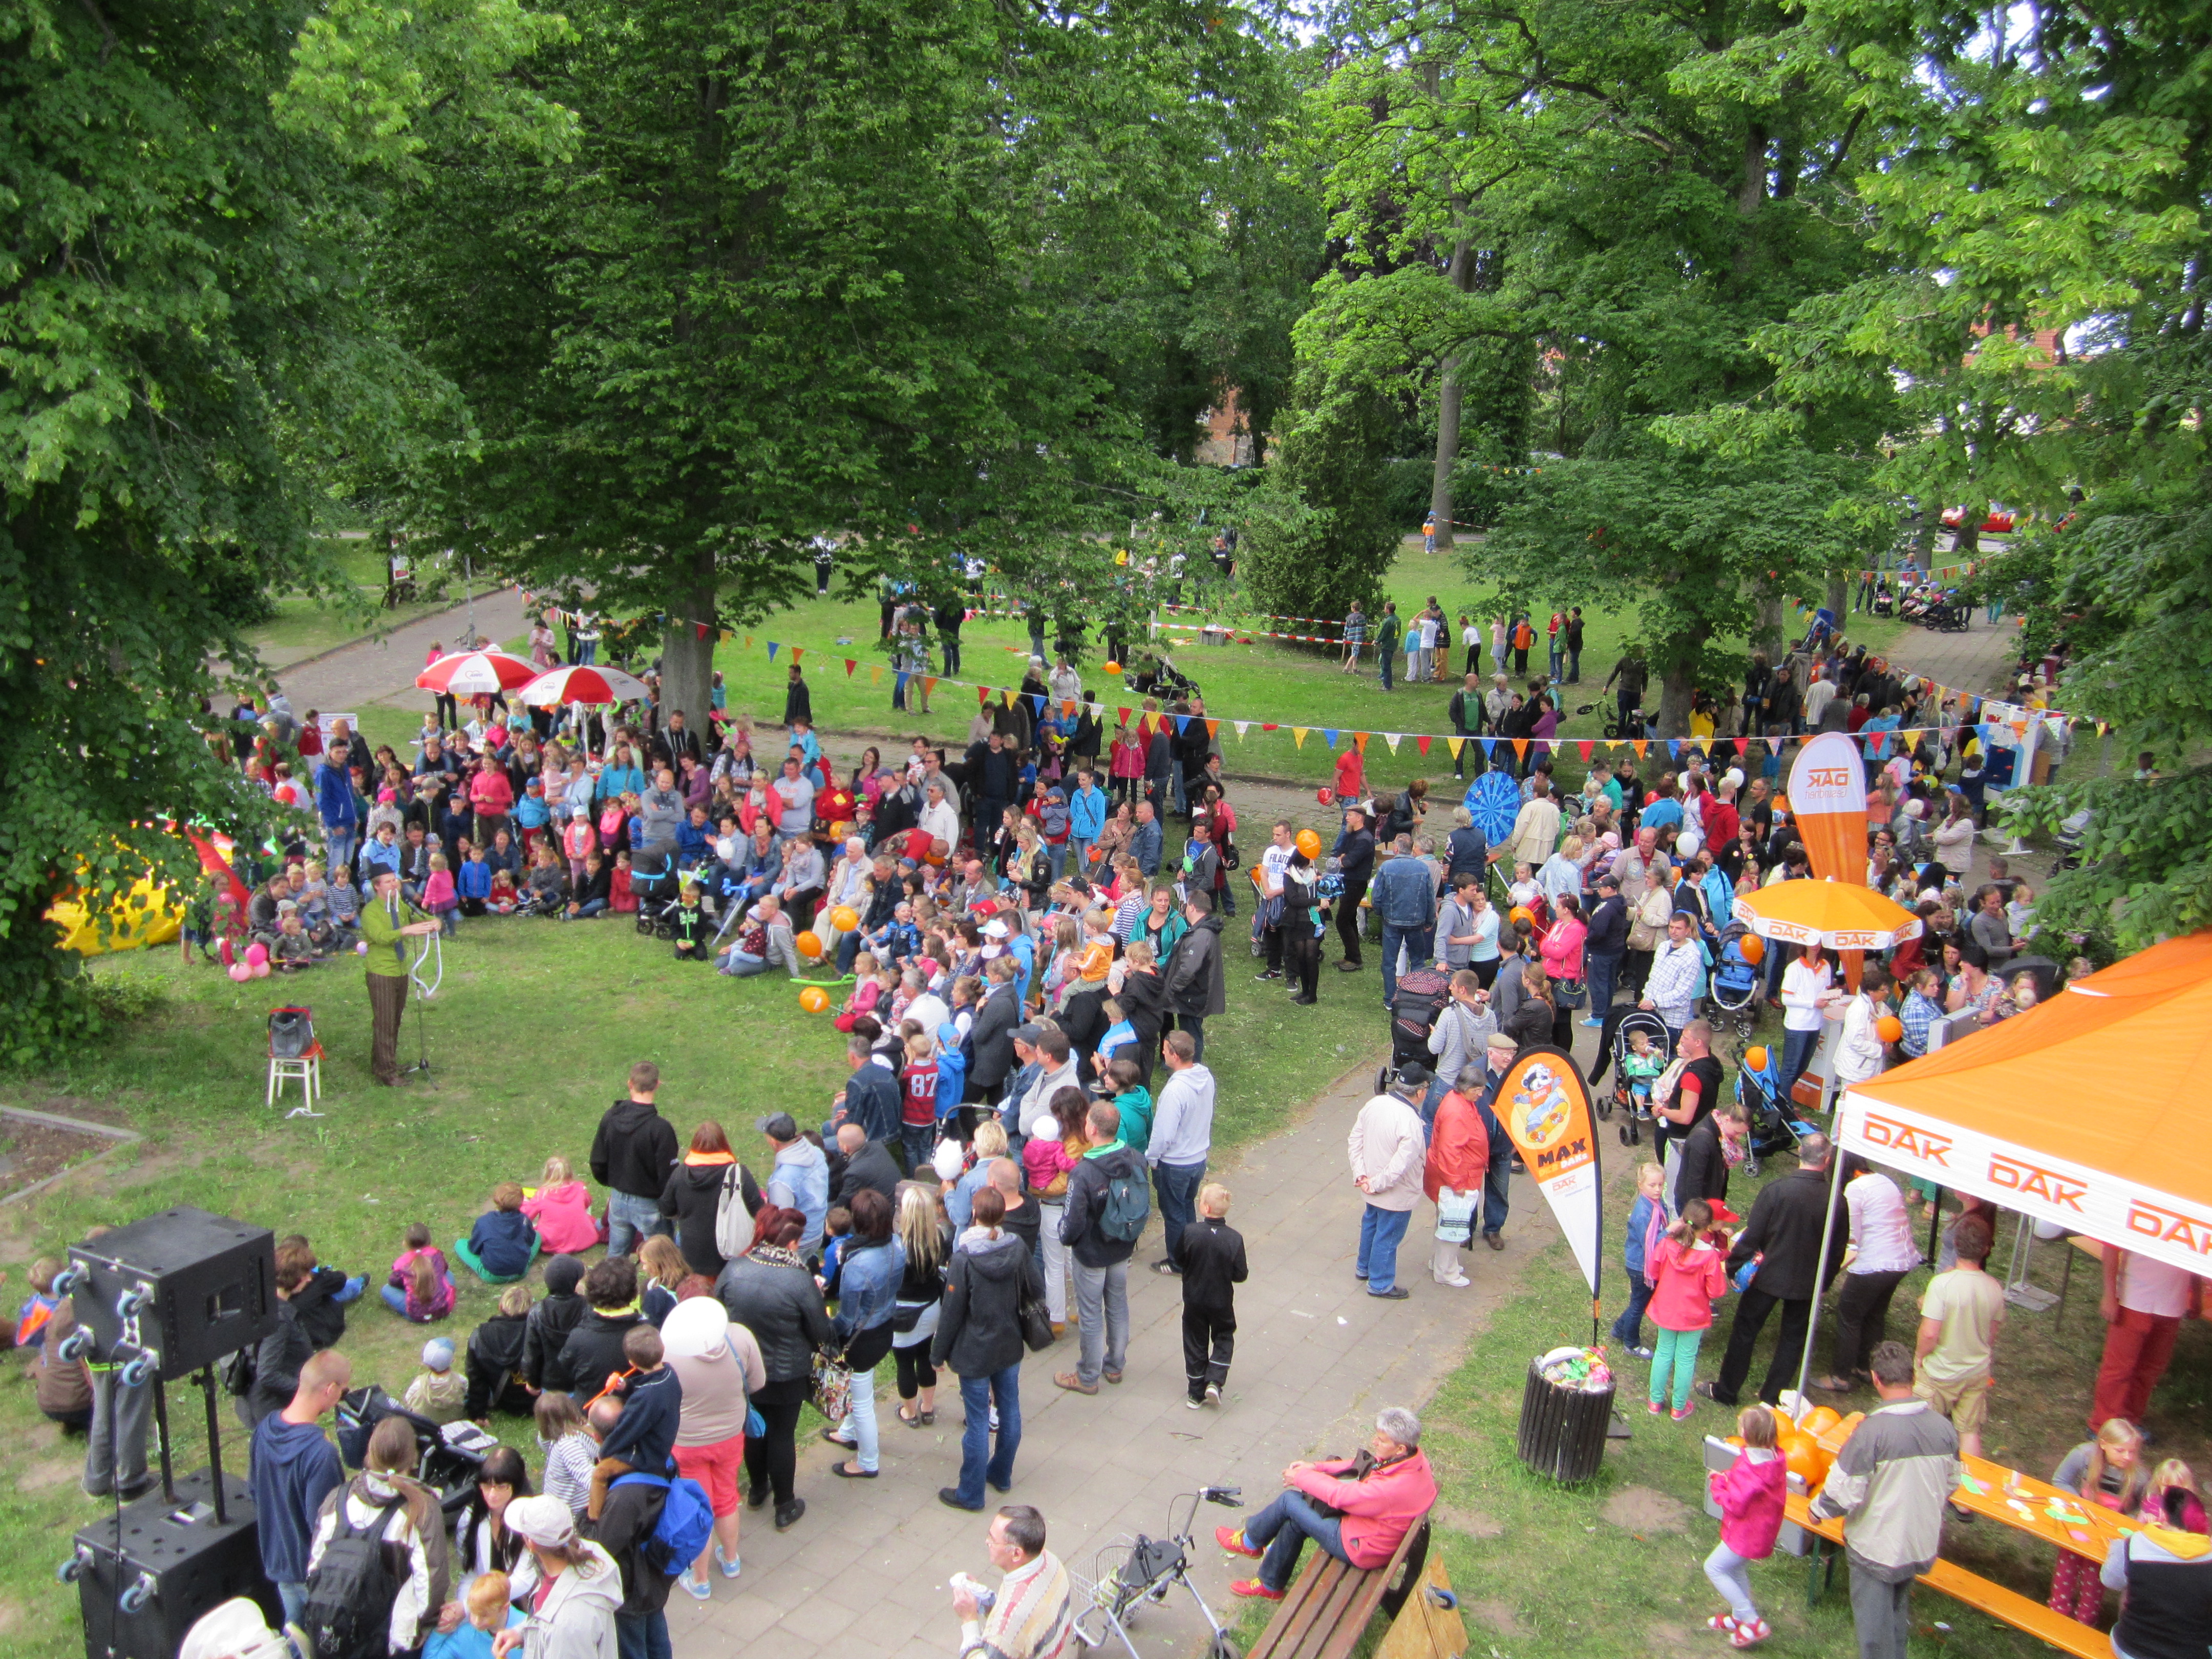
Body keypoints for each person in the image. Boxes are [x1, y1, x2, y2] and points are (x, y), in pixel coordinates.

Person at [1810, 1342, 1963, 1659]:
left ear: (1877, 1379)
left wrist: (1817, 1510)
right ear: (1913, 1376)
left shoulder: (1871, 1433)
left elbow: (1843, 1492)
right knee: (1894, 1622)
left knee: (1874, 1640)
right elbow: (1952, 1482)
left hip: (1876, 1548)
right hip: (1917, 1543)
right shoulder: (1944, 1428)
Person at [1217, 1407, 1437, 1602]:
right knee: (1296, 1518)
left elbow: (1340, 1496)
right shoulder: (1410, 1460)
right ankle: (1269, 1584)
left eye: (1382, 1440)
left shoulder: (1390, 1489)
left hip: (1361, 1547)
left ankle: (1249, 1542)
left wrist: (1300, 1477)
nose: (1374, 1442)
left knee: (1289, 1501)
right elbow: (1362, 1465)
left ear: (1400, 1448)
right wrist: (1316, 1467)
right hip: (1372, 1533)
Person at [1703, 1133, 1847, 1410]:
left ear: (1800, 1153)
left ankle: (1727, 1390)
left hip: (1767, 1277)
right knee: (1792, 1339)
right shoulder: (1836, 1200)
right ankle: (1772, 1397)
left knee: (1745, 1331)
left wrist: (1733, 1266)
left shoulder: (1777, 1190)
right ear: (1827, 1161)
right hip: (1807, 1281)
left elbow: (1753, 1235)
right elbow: (1836, 1249)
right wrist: (1824, 1282)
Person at [713, 1206, 831, 1533]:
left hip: (745, 1368)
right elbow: (821, 1332)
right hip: (787, 1372)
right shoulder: (798, 1279)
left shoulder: (735, 1269)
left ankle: (758, 1490)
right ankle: (785, 1505)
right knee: (781, 1435)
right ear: (790, 1245)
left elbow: (717, 1309)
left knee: (754, 1429)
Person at [306, 1414, 453, 1658]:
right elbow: (429, 1591)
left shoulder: (337, 1497)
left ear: (370, 1452)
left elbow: (314, 1568)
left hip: (332, 1630)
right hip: (387, 1641)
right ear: (413, 1457)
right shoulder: (421, 1509)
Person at [935, 1187, 1045, 1512]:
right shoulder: (1016, 1247)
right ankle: (1001, 1474)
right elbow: (1037, 1287)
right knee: (1010, 1409)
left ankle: (970, 1494)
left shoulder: (964, 1257)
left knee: (978, 1420)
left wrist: (937, 1354)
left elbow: (952, 1311)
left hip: (975, 1351)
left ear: (974, 1213)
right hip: (1009, 1344)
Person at [658, 1296, 760, 1600]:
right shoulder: (740, 1336)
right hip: (730, 1435)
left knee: (696, 1508)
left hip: (687, 1443)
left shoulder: (671, 1351)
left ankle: (700, 1580)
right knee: (726, 1497)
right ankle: (731, 1561)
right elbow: (757, 1381)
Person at [251, 1349, 351, 1630]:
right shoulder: (320, 1454)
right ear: (331, 1389)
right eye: (343, 1391)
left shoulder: (263, 1430)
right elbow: (325, 1525)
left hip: (279, 1565)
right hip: (314, 1577)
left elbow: (256, 1493)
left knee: (295, 1635)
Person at [1055, 1099, 1146, 1394]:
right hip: (1123, 1247)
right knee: (1118, 1304)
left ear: (1091, 1129)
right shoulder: (1136, 1158)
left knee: (1091, 1313)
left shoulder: (1084, 1173)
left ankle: (1088, 1376)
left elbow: (1071, 1223)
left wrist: (1065, 1238)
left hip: (1092, 1254)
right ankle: (1116, 1366)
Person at [1814, 1161, 1921, 1393]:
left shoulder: (1856, 1188)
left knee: (1849, 1315)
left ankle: (1840, 1376)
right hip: (1901, 1259)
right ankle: (1865, 1366)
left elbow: (1851, 1234)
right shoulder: (1885, 1180)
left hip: (1876, 1262)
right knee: (1875, 1313)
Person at [581, 1396, 675, 1659]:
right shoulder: (656, 1453)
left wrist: (586, 1515)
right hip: (656, 1567)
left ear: (597, 1438)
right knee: (658, 1641)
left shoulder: (625, 1495)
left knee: (634, 1650)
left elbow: (602, 1546)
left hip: (633, 1584)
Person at [1912, 1211, 2003, 1462]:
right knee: (1969, 1431)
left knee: (1923, 1428)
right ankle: (1968, 1493)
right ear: (1986, 1249)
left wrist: (1919, 1357)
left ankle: (1925, 1482)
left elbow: (1930, 1333)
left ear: (1957, 1245)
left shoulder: (1942, 1285)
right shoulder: (1994, 1288)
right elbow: (1992, 1335)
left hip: (1940, 1371)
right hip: (1975, 1372)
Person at [2091, 1247, 2205, 1434]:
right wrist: (2110, 1295)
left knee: (2151, 1368)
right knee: (2119, 1368)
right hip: (2133, 1299)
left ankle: (2130, 1421)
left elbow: (2196, 1254)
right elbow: (2110, 1248)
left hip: (2172, 1305)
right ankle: (2102, 1425)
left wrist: (2197, 1296)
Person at [497, 1495, 623, 1659]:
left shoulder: (567, 1623)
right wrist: (521, 1633)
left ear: (531, 1544)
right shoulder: (577, 1562)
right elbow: (547, 1617)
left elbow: (560, 1627)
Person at [1703, 1405, 1788, 1649]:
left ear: (1747, 1434)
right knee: (1737, 1570)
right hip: (1760, 1531)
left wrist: (1719, 1484)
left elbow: (1736, 1504)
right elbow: (1745, 1487)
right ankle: (1739, 1617)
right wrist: (1731, 1477)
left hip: (1746, 1534)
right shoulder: (1773, 1460)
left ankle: (1751, 1620)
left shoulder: (1753, 1470)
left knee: (1714, 1568)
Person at [2049, 1419, 2149, 1623]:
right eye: (2120, 1451)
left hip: (2109, 1536)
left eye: (2132, 1451)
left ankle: (2086, 1621)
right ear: (2103, 1443)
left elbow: (2145, 1509)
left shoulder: (2140, 1476)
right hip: (2080, 1525)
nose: (2127, 1457)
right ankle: (2058, 1613)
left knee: (2095, 1577)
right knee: (2067, 1566)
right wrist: (2078, 1504)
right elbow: (2060, 1480)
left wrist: (2126, 1520)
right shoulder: (2084, 1455)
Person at [948, 1504, 1075, 1659]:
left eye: (993, 1540)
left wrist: (969, 1618)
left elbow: (1011, 1624)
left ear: (1016, 1553)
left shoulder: (1008, 1627)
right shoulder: (1051, 1561)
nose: (987, 1542)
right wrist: (989, 1603)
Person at [2100, 1485, 2212, 1659]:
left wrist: (2115, 1549)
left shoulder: (2132, 1545)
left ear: (2164, 1515)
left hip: (2131, 1649)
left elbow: (2110, 1580)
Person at [1650, 1198, 1731, 1419]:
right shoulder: (1709, 1255)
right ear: (1707, 1228)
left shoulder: (1667, 1244)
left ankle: (1655, 1402)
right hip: (1693, 1315)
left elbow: (1653, 1270)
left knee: (1663, 1352)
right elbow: (1716, 1291)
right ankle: (1678, 1407)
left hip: (1667, 1308)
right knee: (1685, 1358)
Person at [358, 868, 439, 1085]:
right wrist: (406, 931)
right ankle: (387, 1072)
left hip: (400, 970)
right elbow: (381, 937)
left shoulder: (399, 906)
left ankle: (385, 1063)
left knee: (394, 1019)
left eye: (395, 880)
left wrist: (433, 921)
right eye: (388, 882)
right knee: (384, 1021)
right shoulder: (370, 912)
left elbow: (417, 916)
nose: (394, 885)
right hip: (381, 971)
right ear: (377, 886)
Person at [590, 1064, 678, 1257]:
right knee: (662, 1259)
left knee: (615, 1256)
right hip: (650, 1203)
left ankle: (610, 1287)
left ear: (630, 1084)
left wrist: (615, 1182)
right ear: (657, 1085)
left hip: (618, 1199)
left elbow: (598, 1160)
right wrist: (670, 1205)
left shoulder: (611, 1118)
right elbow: (668, 1176)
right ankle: (660, 1288)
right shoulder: (661, 1129)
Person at [1347, 1088, 1424, 1300]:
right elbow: (1401, 1165)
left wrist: (1361, 1175)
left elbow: (1356, 1139)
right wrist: (1376, 1184)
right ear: (1420, 1091)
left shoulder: (1375, 1103)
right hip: (1395, 1191)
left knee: (1371, 1224)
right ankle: (1380, 1284)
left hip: (1370, 1182)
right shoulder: (1411, 1121)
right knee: (1388, 1236)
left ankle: (1364, 1268)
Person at [1146, 1031, 1214, 1275]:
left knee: (1174, 1214)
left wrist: (1152, 1159)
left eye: (1165, 1049)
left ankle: (1178, 1262)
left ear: (1174, 1054)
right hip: (1198, 1158)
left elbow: (1163, 1133)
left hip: (1175, 1163)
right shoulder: (1206, 1078)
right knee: (1186, 1208)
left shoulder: (1175, 1091)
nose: (1162, 1052)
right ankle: (1191, 1253)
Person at [1422, 1065, 1490, 1289]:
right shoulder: (1456, 1112)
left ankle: (1441, 1263)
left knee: (1446, 1222)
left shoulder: (1458, 1101)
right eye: (1478, 1090)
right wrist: (1457, 1183)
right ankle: (1446, 1272)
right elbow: (1450, 1151)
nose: (1481, 1095)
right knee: (1453, 1226)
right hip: (1457, 1179)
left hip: (1457, 1176)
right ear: (1466, 1088)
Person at [1369, 834, 1437, 1007]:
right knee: (1417, 961)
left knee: (1390, 962)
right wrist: (1429, 921)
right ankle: (1415, 997)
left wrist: (1380, 913)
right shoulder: (1423, 868)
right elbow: (1430, 897)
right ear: (1412, 848)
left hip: (1392, 921)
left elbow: (1377, 896)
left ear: (1396, 849)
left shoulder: (1387, 867)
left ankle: (1390, 999)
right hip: (1416, 922)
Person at [1611, 1161, 1667, 1358]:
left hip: (1641, 1264)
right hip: (1640, 1266)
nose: (1658, 1189)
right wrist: (1671, 1230)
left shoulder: (1656, 1204)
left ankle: (1619, 1329)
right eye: (1652, 1185)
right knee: (1639, 1304)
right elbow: (1650, 1244)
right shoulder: (1644, 1213)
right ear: (1640, 1184)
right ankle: (1631, 1344)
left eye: (1661, 1185)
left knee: (1639, 1301)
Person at [1161, 891, 1224, 1061]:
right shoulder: (1201, 929)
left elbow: (1188, 969)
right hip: (1194, 993)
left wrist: (1172, 989)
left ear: (1193, 907)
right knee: (1190, 1032)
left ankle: (1193, 1069)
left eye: (1187, 905)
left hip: (1193, 995)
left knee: (1192, 1035)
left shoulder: (1201, 935)